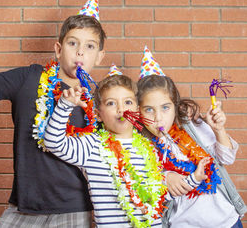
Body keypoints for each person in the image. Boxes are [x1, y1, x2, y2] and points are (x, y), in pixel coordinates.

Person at [0, 0, 106, 227]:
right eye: (73, 43)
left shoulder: (100, 101)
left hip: (74, 208)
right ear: (58, 49)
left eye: (89, 46)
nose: (80, 52)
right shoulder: (28, 78)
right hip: (24, 206)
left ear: (100, 57)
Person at [136, 48, 247, 228]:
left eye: (165, 108)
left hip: (225, 222)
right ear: (138, 112)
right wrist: (163, 177)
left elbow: (227, 158)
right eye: (149, 109)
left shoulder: (193, 128)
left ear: (175, 106)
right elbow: (137, 184)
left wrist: (219, 130)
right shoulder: (139, 144)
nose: (158, 117)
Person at [43, 73, 168, 227]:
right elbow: (53, 142)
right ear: (98, 115)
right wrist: (65, 105)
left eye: (127, 102)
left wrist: (192, 179)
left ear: (136, 110)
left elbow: (160, 194)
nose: (121, 109)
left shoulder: (149, 148)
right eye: (111, 103)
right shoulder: (92, 145)